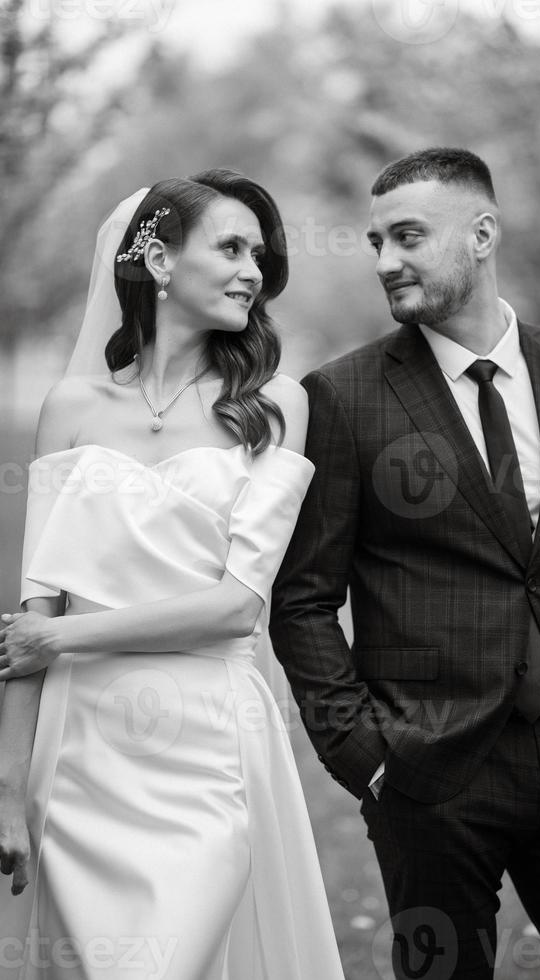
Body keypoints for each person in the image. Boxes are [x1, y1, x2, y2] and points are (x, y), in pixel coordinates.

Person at [269, 147, 540, 978]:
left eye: (406, 236)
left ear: (481, 234)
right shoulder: (343, 395)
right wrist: (366, 759)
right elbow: (302, 599)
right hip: (427, 772)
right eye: (375, 242)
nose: (385, 262)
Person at [0, 170, 346, 980]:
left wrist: (61, 635)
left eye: (258, 255)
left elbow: (234, 606)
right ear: (156, 260)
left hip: (204, 747)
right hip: (77, 752)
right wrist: (8, 788)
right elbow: (28, 615)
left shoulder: (272, 404)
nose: (252, 272)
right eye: (229, 247)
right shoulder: (72, 407)